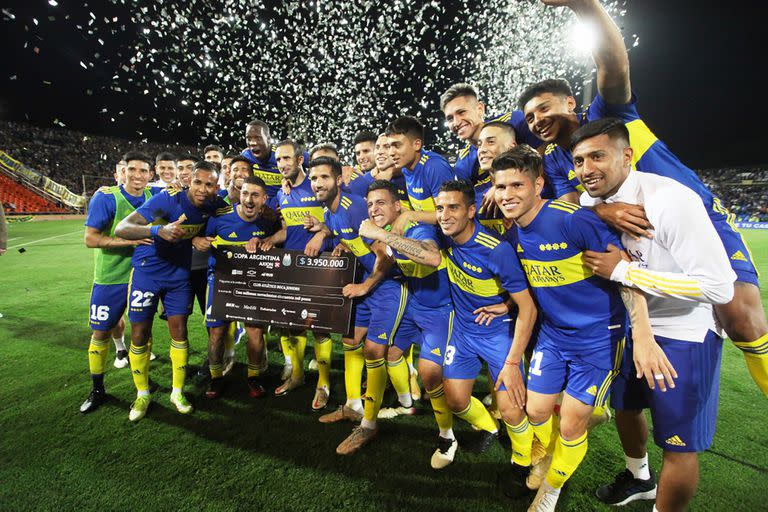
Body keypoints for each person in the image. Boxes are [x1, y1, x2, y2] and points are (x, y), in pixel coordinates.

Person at [525, 0, 767, 395]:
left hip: (696, 219)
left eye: (543, 109)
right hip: (636, 236)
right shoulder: (555, 158)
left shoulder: (607, 114)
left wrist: (583, 7)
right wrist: (604, 208)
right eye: (530, 118)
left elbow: (613, 65)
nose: (537, 121)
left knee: (740, 316)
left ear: (571, 103)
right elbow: (571, 204)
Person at [574, 118, 735, 512]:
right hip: (633, 325)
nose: (586, 169)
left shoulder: (670, 200)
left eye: (598, 156)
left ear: (627, 156)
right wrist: (603, 212)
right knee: (627, 407)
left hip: (685, 331)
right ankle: (639, 477)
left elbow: (718, 288)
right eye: (579, 160)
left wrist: (625, 271)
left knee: (677, 444)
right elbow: (579, 206)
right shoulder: (591, 200)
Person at [490, 146, 659, 510]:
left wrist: (642, 334)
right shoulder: (513, 239)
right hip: (553, 336)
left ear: (538, 185)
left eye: (516, 185)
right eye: (500, 187)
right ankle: (574, 427)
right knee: (535, 411)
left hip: (599, 337)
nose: (507, 195)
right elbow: (529, 291)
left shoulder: (573, 220)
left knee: (569, 426)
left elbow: (625, 272)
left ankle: (549, 490)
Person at [306, 156, 408, 455]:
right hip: (368, 283)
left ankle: (369, 425)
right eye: (313, 179)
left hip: (388, 285)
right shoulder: (333, 211)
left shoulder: (353, 209)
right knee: (350, 340)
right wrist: (327, 233)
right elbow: (350, 239)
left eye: (324, 177)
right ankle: (352, 405)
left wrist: (365, 285)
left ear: (339, 179)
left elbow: (386, 254)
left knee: (375, 351)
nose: (317, 184)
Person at [358, 180, 457, 468]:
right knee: (391, 354)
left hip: (441, 310)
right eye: (370, 204)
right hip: (415, 303)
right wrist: (368, 283)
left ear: (397, 206)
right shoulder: (391, 231)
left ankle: (447, 436)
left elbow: (431, 256)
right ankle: (404, 405)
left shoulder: (418, 229)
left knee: (429, 375)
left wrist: (380, 235)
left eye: (381, 203)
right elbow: (390, 260)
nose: (374, 209)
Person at [115, 160, 223, 422]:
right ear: (189, 180)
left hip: (179, 276)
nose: (202, 189)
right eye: (198, 182)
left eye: (209, 184)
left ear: (215, 187)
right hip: (146, 273)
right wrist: (157, 230)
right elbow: (122, 228)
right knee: (139, 333)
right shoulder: (167, 198)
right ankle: (142, 394)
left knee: (180, 331)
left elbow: (237, 214)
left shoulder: (215, 205)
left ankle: (177, 392)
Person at [259, 139, 334, 408]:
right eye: (278, 160)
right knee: (291, 324)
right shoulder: (283, 193)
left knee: (319, 329)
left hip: (318, 265)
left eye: (287, 159)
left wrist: (324, 231)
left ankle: (323, 384)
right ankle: (298, 375)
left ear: (300, 159)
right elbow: (289, 229)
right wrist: (270, 239)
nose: (281, 164)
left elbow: (338, 220)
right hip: (290, 263)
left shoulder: (317, 185)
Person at [79, 151, 156, 413]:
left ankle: (143, 382)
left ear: (150, 174)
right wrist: (130, 242)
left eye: (143, 171)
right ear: (122, 170)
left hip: (143, 277)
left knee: (142, 331)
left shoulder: (152, 197)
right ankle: (97, 388)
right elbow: (90, 239)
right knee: (101, 331)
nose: (137, 175)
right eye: (132, 169)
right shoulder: (107, 197)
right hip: (111, 277)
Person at [197, 176, 274, 399]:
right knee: (217, 333)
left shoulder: (269, 221)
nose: (249, 200)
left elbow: (281, 239)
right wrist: (195, 241)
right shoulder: (220, 218)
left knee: (255, 332)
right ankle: (216, 378)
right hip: (220, 281)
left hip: (252, 282)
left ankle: (254, 378)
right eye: (245, 193)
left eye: (255, 195)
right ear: (239, 194)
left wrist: (265, 241)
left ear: (264, 199)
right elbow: (199, 237)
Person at [440, 82, 542, 229]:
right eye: (450, 118)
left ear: (480, 108)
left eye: (461, 112)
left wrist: (501, 186)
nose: (456, 122)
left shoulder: (514, 122)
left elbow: (547, 154)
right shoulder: (463, 163)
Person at [385, 116, 455, 227]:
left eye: (397, 145)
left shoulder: (434, 167)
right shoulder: (405, 167)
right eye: (388, 147)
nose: (391, 153)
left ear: (417, 144)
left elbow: (449, 215)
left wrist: (410, 215)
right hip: (430, 230)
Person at [241, 119, 282, 199]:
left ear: (269, 139)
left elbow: (312, 160)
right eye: (249, 139)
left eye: (258, 138)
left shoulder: (282, 153)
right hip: (257, 204)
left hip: (281, 201)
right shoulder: (245, 157)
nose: (253, 143)